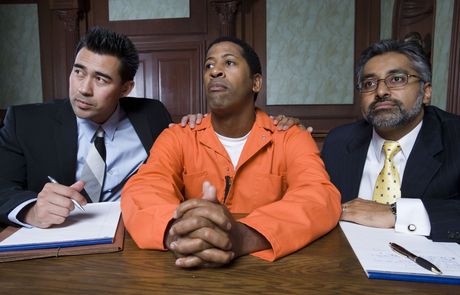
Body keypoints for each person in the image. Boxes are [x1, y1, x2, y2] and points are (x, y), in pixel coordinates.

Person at [121, 36, 341, 268]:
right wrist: (178, 233)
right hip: (188, 271)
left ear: (255, 83)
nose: (215, 71)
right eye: (209, 65)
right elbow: (142, 189)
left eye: (229, 63)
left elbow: (319, 197)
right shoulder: (178, 136)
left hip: (267, 273)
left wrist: (243, 237)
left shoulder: (290, 136)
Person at [0, 27, 172, 228]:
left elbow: (178, 160)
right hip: (58, 239)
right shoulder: (25, 122)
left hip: (130, 234)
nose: (83, 89)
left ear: (125, 88)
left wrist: (195, 124)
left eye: (100, 79)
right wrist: (32, 210)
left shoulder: (152, 114)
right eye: (79, 72)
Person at [321, 39, 460, 242]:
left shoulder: (454, 136)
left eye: (397, 79)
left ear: (426, 92)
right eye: (369, 83)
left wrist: (397, 214)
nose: (381, 91)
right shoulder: (339, 141)